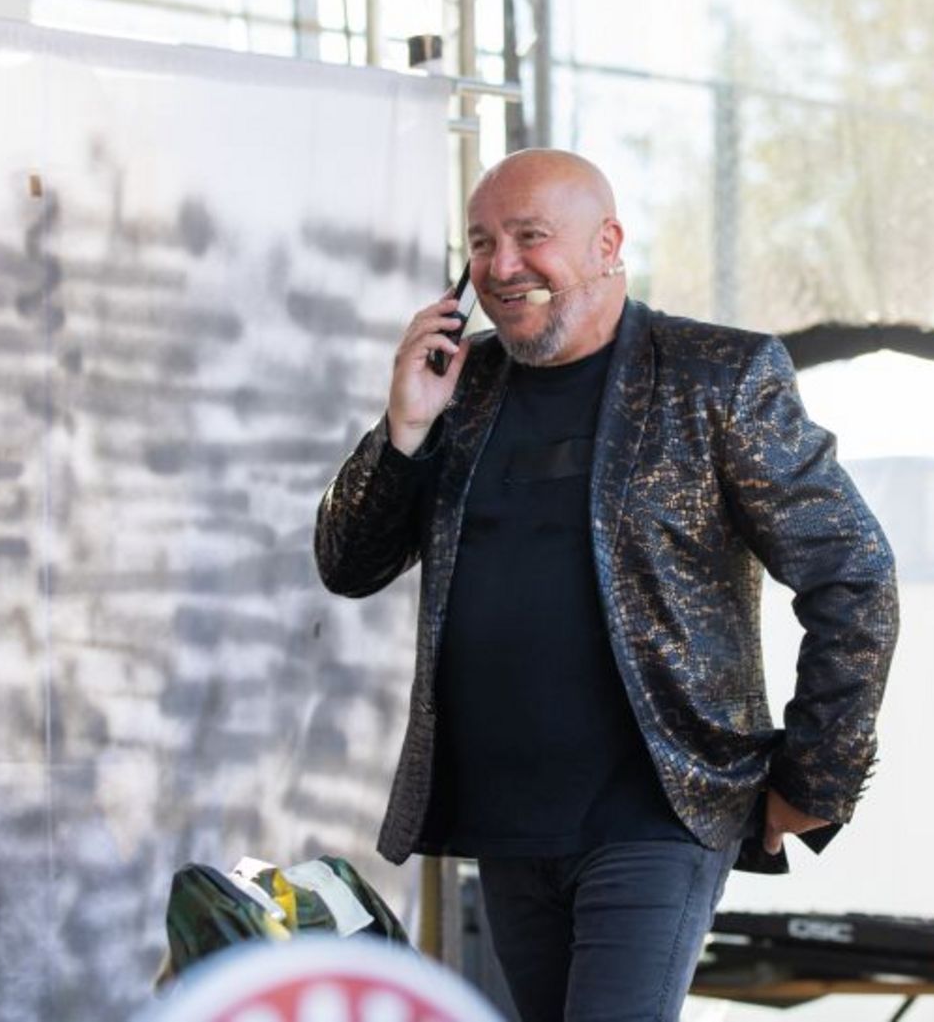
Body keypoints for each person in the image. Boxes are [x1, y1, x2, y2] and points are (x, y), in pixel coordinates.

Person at [315, 149, 898, 1021]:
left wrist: (815, 776)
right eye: (482, 243)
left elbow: (853, 571)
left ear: (608, 243)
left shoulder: (717, 374)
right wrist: (404, 430)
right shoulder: (459, 388)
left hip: (658, 813)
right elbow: (349, 565)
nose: (502, 265)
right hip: (508, 820)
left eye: (530, 236)